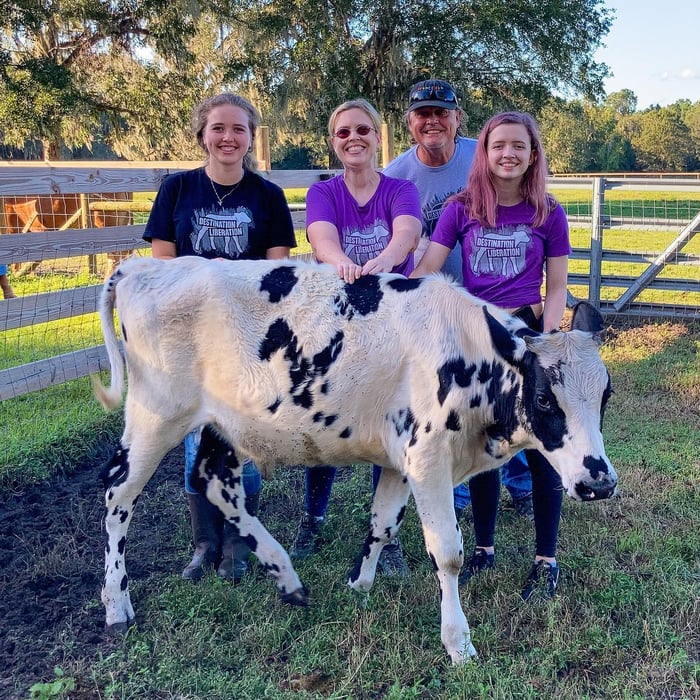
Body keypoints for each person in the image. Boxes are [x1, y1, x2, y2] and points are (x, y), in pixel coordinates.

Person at [412, 111, 571, 599]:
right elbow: (427, 272)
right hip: (474, 339)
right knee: (482, 445)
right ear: (484, 151)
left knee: (542, 445)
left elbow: (559, 286)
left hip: (525, 335)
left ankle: (546, 561)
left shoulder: (549, 212)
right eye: (498, 144)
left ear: (533, 154)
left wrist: (545, 341)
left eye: (518, 146)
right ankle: (484, 548)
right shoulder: (461, 208)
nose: (508, 153)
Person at [143, 92, 296, 583]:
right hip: (189, 332)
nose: (228, 138)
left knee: (242, 435)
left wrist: (232, 278)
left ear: (251, 138)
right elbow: (161, 267)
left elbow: (279, 273)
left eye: (239, 130)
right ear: (202, 134)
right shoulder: (177, 190)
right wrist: (206, 275)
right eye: (219, 129)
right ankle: (204, 542)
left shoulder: (267, 196)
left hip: (246, 331)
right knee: (195, 435)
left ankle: (237, 540)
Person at [383, 79, 534, 525]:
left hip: (490, 300)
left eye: (441, 112)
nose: (432, 121)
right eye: (422, 113)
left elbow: (525, 200)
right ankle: (460, 488)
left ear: (457, 118)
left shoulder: (482, 156)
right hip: (432, 307)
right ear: (409, 122)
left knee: (508, 393)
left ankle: (520, 483)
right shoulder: (396, 175)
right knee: (452, 403)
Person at [290, 98, 422, 575]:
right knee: (323, 418)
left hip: (392, 322)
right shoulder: (324, 192)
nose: (353, 139)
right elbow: (321, 238)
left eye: (363, 130)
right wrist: (339, 261)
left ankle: (385, 537)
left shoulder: (400, 189)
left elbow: (406, 232)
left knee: (390, 427)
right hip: (338, 318)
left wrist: (384, 262)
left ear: (378, 137)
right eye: (343, 132)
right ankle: (312, 517)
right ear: (333, 141)